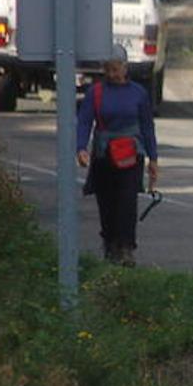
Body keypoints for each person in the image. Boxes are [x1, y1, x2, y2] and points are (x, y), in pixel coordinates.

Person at [76, 46, 158, 266]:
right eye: (108, 70)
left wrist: (153, 159)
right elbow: (84, 121)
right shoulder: (96, 92)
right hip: (104, 155)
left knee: (127, 201)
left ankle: (126, 247)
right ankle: (110, 244)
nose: (112, 74)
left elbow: (147, 126)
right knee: (107, 201)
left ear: (125, 67)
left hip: (131, 155)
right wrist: (81, 147)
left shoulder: (138, 93)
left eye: (116, 69)